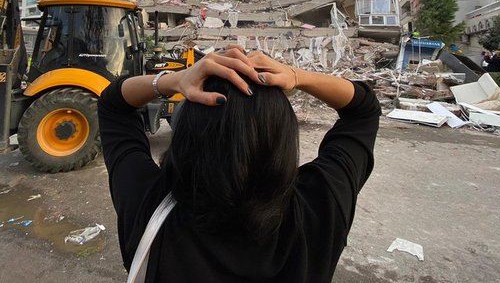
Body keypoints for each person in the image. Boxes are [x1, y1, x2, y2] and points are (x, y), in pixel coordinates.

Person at [98, 47, 379, 282]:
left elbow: (113, 105)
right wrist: (297, 76)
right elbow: (363, 111)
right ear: (281, 136)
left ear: (186, 134)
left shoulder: (148, 207)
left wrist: (175, 81)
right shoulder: (320, 206)